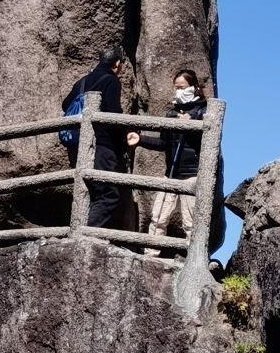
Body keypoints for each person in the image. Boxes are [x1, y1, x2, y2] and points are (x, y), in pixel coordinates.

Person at [126, 69, 205, 254]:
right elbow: (163, 143)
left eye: (182, 87)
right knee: (158, 216)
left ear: (193, 87)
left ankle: (194, 258)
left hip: (192, 175)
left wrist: (192, 121)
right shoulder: (170, 113)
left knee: (190, 221)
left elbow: (206, 141)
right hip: (170, 173)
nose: (178, 91)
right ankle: (151, 255)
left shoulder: (203, 110)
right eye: (176, 88)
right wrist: (140, 139)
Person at [63, 44, 127, 228]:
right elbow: (113, 112)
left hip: (78, 145)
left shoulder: (82, 81)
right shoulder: (111, 80)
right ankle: (87, 234)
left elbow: (65, 103)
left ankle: (80, 230)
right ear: (116, 63)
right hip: (102, 144)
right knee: (108, 194)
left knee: (87, 190)